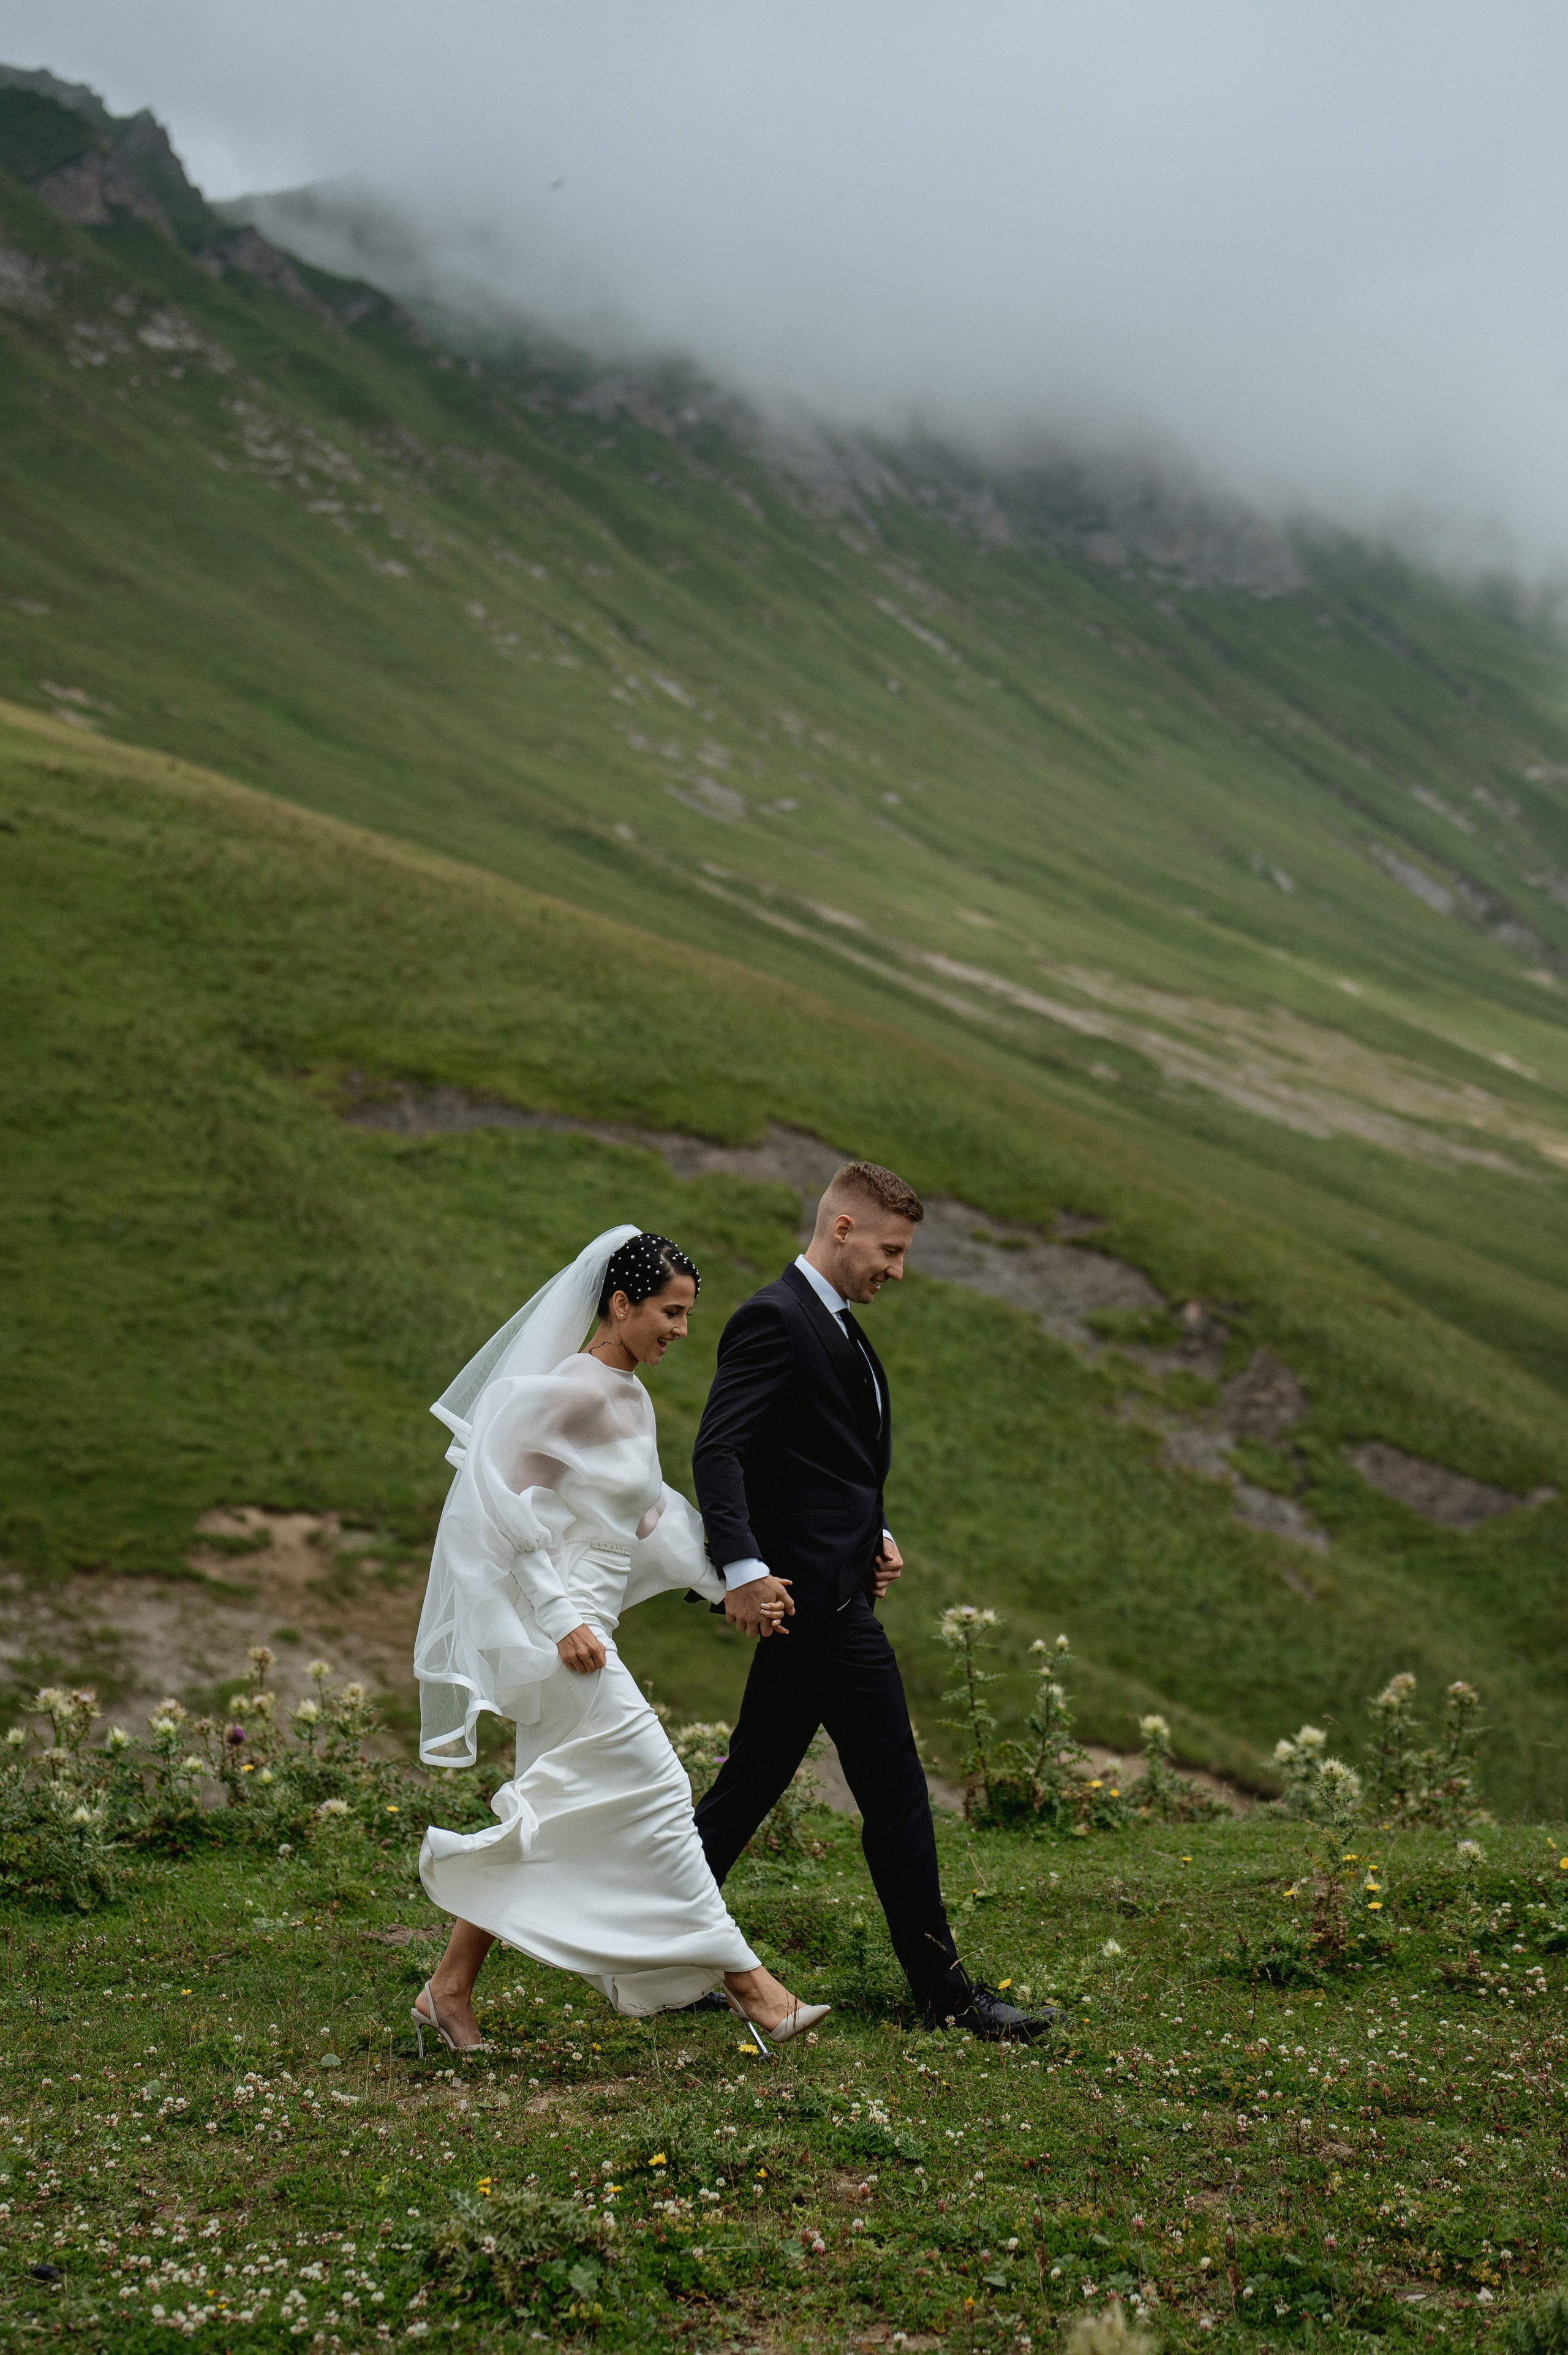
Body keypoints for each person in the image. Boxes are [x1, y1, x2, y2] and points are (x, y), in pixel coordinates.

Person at [410, 1225, 827, 2053]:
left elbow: (650, 1518)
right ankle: (754, 1990)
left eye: (688, 1314)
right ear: (621, 1303)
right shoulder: (575, 1390)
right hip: (565, 1639)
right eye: (670, 1312)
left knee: (554, 1812)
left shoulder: (629, 1395)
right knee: (664, 1792)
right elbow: (498, 1502)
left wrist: (732, 1582)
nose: (682, 1330)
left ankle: (446, 1992)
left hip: (593, 1629)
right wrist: (560, 1617)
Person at [691, 1161, 1054, 2041]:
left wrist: (873, 1536)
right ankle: (947, 1996)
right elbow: (720, 1451)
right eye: (890, 1250)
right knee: (894, 1792)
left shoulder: (838, 1325)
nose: (898, 1269)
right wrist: (742, 1568)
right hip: (817, 1610)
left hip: (833, 1591)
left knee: (744, 1790)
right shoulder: (774, 1317)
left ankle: (642, 1953)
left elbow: (825, 1461)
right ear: (843, 1228)